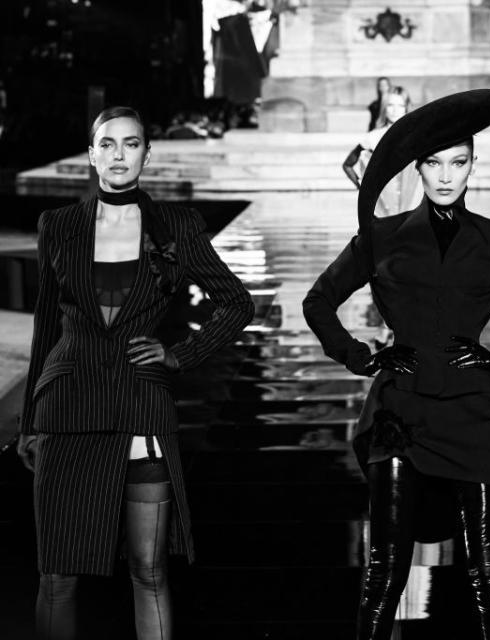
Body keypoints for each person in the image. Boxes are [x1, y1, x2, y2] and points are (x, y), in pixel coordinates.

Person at [304, 89, 490, 639]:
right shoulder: (383, 236)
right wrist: (362, 357)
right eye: (434, 163)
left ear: (474, 164)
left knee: (488, 571)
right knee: (385, 570)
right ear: (419, 168)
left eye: (458, 162)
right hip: (400, 411)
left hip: (473, 412)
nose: (446, 176)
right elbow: (317, 301)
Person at [16, 106, 254, 640]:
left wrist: (179, 356)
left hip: (140, 407)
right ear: (92, 153)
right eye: (107, 144)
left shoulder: (177, 226)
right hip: (68, 406)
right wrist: (29, 418)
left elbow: (237, 303)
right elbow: (45, 325)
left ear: (148, 152)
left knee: (148, 572)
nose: (118, 154)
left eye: (131, 143)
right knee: (57, 574)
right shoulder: (59, 226)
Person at [343, 86, 423, 218]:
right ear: (384, 108)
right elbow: (347, 165)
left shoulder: (417, 137)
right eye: (390, 105)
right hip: (381, 212)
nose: (395, 110)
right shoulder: (373, 137)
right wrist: (360, 187)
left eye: (400, 105)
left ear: (406, 107)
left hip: (412, 210)